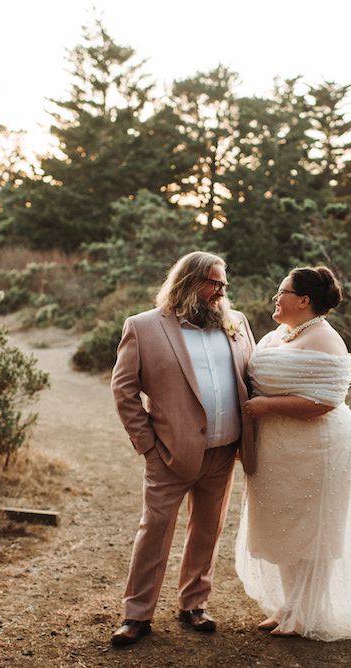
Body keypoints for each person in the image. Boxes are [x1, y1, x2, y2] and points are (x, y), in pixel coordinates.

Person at [235, 265, 351, 640]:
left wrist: (264, 408)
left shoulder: (326, 339)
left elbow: (324, 401)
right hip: (278, 446)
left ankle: (308, 612)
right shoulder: (280, 334)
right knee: (282, 527)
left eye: (282, 291)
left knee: (312, 529)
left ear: (303, 300)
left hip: (317, 444)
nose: (276, 297)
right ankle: (289, 606)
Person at [110, 251, 256, 646]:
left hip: (223, 451)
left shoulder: (236, 322)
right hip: (169, 455)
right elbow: (124, 392)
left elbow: (252, 376)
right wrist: (149, 448)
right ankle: (136, 615)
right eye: (214, 283)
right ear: (189, 282)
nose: (222, 291)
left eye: (224, 284)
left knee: (207, 530)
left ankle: (194, 603)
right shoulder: (143, 328)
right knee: (154, 532)